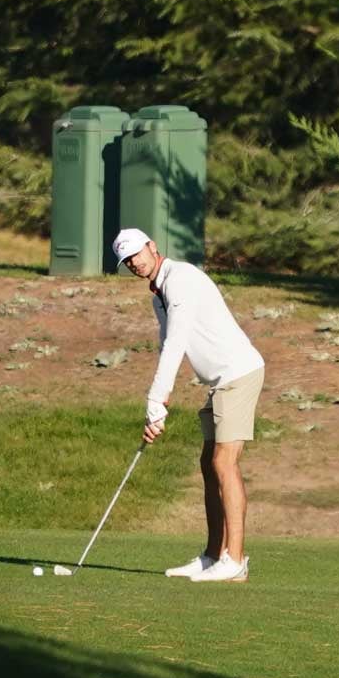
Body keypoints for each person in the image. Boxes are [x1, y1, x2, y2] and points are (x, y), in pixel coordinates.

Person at [114, 227, 265, 583]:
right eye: (127, 261)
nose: (134, 263)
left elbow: (177, 342)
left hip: (238, 373)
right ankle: (214, 555)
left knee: (223, 462)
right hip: (219, 381)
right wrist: (160, 409)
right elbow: (170, 346)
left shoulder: (181, 278)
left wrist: (154, 400)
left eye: (137, 254)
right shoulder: (159, 297)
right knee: (207, 462)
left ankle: (235, 560)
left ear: (152, 247)